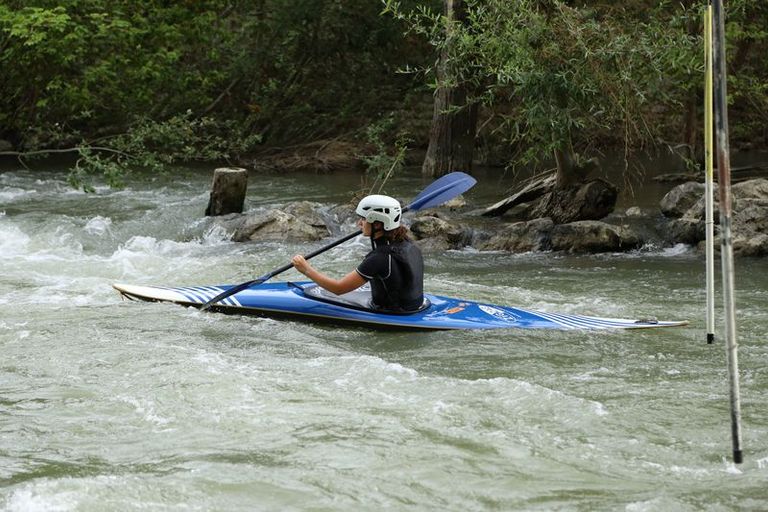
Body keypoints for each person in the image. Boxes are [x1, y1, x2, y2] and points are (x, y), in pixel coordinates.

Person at [291, 194, 424, 312]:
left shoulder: (380, 258)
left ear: (377, 224)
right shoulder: (408, 243)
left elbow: (338, 289)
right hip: (415, 306)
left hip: (394, 312)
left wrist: (306, 269)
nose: (358, 223)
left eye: (363, 219)